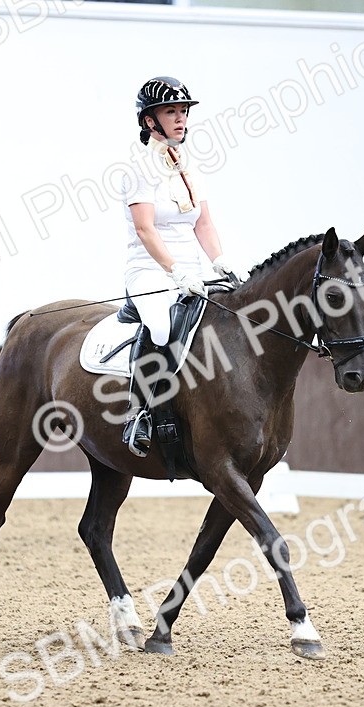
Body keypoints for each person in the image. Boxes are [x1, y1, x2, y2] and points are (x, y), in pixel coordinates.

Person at [120, 76, 248, 457]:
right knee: (161, 326)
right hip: (149, 271)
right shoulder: (138, 169)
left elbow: (203, 224)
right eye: (170, 111)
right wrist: (175, 271)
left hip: (193, 272)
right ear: (149, 121)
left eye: (183, 111)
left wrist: (220, 261)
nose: (180, 119)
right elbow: (145, 229)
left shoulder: (191, 168)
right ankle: (138, 414)